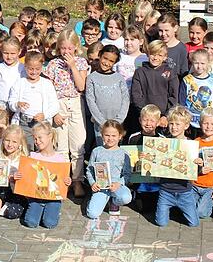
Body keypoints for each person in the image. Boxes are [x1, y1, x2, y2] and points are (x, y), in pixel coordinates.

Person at [43, 29, 89, 198]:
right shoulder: (53, 65)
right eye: (63, 48)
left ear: (76, 47)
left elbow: (81, 86)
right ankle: (63, 180)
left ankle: (77, 180)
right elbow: (48, 91)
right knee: (61, 147)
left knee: (78, 146)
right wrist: (54, 112)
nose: (66, 52)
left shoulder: (81, 63)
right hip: (59, 104)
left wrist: (73, 67)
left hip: (75, 103)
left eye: (70, 48)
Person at [19, 122, 72, 229]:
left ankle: (53, 210)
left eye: (40, 137)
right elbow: (26, 177)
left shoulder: (60, 158)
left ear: (50, 136)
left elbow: (63, 179)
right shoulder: (33, 156)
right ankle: (37, 209)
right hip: (35, 197)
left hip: (53, 197)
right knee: (31, 222)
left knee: (50, 223)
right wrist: (18, 176)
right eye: (35, 139)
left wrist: (67, 181)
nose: (37, 141)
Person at [155, 107, 199, 228]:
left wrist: (199, 164)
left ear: (186, 126)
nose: (174, 127)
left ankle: (181, 208)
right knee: (160, 223)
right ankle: (173, 209)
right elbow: (156, 163)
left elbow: (195, 171)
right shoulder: (163, 143)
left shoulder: (191, 145)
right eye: (171, 124)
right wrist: (148, 157)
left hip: (184, 191)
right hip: (166, 191)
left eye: (178, 124)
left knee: (194, 224)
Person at [8, 51, 59, 151]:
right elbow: (11, 103)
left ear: (42, 67)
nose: (34, 72)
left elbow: (55, 105)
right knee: (26, 150)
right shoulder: (20, 83)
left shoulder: (46, 83)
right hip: (24, 122)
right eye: (31, 69)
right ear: (25, 67)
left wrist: (45, 115)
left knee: (42, 149)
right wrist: (17, 104)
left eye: (37, 69)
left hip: (42, 123)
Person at [86, 120, 133, 218]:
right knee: (92, 214)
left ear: (120, 136)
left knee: (126, 197)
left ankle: (114, 202)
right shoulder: (97, 151)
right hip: (101, 187)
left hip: (116, 186)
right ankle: (97, 201)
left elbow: (127, 174)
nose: (110, 138)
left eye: (114, 136)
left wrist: (119, 183)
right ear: (102, 135)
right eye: (107, 135)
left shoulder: (124, 154)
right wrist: (92, 183)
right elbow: (89, 170)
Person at [86, 45, 129, 145]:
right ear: (100, 55)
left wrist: (119, 120)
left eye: (111, 61)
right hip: (100, 124)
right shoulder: (92, 78)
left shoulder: (119, 78)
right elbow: (91, 101)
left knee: (115, 148)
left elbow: (125, 99)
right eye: (105, 58)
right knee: (102, 148)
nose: (106, 63)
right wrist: (102, 122)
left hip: (118, 123)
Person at [131, 40, 179, 126]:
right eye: (153, 54)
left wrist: (165, 115)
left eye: (160, 55)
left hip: (163, 119)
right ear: (148, 54)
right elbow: (136, 96)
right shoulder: (140, 72)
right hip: (145, 118)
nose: (155, 58)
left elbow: (174, 96)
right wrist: (147, 116)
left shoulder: (170, 72)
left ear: (165, 57)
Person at [126, 105, 163, 213]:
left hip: (156, 182)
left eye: (152, 121)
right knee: (142, 209)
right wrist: (137, 157)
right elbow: (129, 157)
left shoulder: (162, 140)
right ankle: (135, 192)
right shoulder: (133, 138)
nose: (148, 124)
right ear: (139, 120)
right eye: (145, 120)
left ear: (158, 122)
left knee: (156, 208)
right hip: (140, 182)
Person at [179, 49, 213, 138]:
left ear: (208, 63)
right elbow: (182, 101)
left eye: (202, 63)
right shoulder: (187, 80)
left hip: (207, 124)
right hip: (190, 122)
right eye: (196, 63)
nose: (199, 66)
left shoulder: (212, 81)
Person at [0, 38, 25, 111]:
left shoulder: (23, 68)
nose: (9, 57)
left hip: (19, 106)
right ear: (1, 51)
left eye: (12, 53)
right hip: (2, 106)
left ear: (19, 52)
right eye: (6, 53)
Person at [116, 25, 148, 90]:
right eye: (126, 39)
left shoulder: (144, 59)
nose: (128, 43)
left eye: (132, 39)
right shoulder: (119, 56)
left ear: (141, 42)